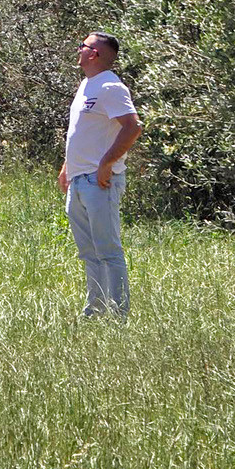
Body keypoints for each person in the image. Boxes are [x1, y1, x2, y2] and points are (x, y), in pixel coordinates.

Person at [59, 31, 142, 318]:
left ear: (94, 53)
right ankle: (95, 310)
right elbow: (82, 133)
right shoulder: (86, 85)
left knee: (108, 250)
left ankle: (118, 315)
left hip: (100, 182)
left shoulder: (110, 87)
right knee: (89, 252)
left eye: (82, 45)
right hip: (78, 181)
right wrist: (67, 168)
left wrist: (106, 164)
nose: (78, 49)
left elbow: (132, 128)